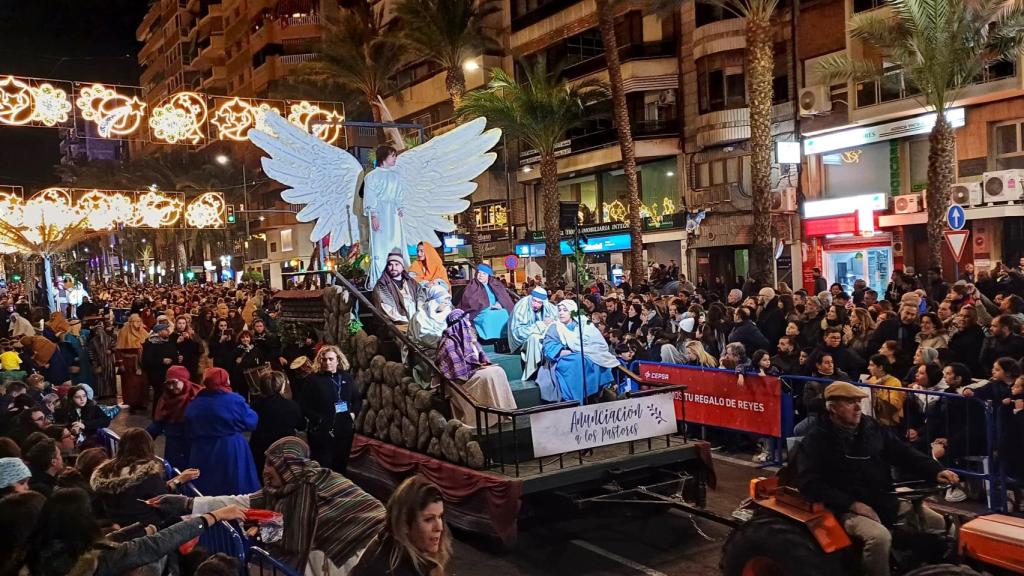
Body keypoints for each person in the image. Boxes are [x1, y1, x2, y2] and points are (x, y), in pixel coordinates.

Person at [155, 436, 386, 575]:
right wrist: (189, 504)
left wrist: (263, 529)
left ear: (289, 465)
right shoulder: (281, 490)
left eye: (272, 464)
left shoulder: (314, 487)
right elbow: (242, 502)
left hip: (352, 555)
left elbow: (293, 536)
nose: (265, 470)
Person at [796, 381, 958, 576]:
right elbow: (809, 484)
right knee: (879, 538)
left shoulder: (871, 428)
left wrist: (934, 470)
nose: (857, 408)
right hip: (844, 507)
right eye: (850, 403)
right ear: (832, 408)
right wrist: (853, 504)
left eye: (858, 401)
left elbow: (901, 452)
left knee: (941, 524)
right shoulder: (816, 440)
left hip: (882, 499)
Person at [23, 487, 248, 576]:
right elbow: (154, 546)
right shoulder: (97, 559)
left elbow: (105, 541)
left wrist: (141, 528)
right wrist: (213, 516)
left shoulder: (38, 552)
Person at [90, 427, 200, 529]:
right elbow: (164, 500)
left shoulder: (104, 472)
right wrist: (179, 481)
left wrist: (179, 479)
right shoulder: (147, 475)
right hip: (146, 530)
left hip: (117, 527)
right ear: (148, 448)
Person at [353, 475, 451, 576]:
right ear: (404, 524)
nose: (439, 527)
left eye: (440, 516)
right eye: (428, 519)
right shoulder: (390, 569)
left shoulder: (391, 544)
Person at [184, 367, 260, 496]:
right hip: (230, 448)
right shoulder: (234, 401)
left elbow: (188, 424)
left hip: (201, 449)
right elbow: (251, 422)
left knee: (205, 488)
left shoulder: (195, 402)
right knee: (234, 486)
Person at [436, 310, 517, 428]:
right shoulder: (448, 343)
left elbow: (479, 358)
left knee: (498, 371)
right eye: (466, 321)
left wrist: (481, 363)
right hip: (460, 381)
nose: (469, 324)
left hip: (471, 373)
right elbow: (455, 371)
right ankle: (489, 417)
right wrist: (477, 369)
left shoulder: (469, 338)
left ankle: (504, 412)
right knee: (488, 376)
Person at [537, 300, 619, 404]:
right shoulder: (555, 327)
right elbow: (548, 348)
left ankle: (601, 391)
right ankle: (576, 399)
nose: (561, 313)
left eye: (565, 310)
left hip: (585, 354)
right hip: (564, 359)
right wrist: (565, 351)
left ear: (572, 311)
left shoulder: (583, 325)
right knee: (577, 361)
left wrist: (587, 350)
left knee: (597, 358)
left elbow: (595, 342)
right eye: (559, 310)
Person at [302, 345, 360, 474]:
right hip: (322, 432)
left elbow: (357, 399)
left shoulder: (346, 377)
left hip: (344, 429)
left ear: (338, 360)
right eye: (324, 359)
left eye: (331, 359)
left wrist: (353, 414)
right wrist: (318, 420)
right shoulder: (313, 380)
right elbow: (303, 405)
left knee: (340, 465)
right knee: (323, 468)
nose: (327, 362)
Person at [365, 145, 407, 289]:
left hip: (393, 213)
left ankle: (397, 276)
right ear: (384, 157)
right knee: (380, 245)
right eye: (392, 155)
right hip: (381, 213)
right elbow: (370, 197)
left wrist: (401, 207)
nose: (395, 158)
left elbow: (399, 194)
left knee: (395, 243)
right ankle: (378, 279)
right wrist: (373, 215)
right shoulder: (372, 176)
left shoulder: (396, 176)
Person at [146, 365, 200, 471]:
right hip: (173, 447)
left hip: (194, 447)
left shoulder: (198, 397)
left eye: (174, 382)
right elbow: (157, 424)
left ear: (184, 380)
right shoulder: (166, 398)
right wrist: (140, 439)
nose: (171, 387)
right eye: (168, 383)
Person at [250, 371, 305, 474]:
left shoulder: (254, 406)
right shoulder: (292, 405)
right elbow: (301, 425)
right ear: (281, 386)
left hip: (260, 449)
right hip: (284, 450)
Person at [507, 287, 557, 380]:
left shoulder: (547, 306)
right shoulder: (521, 306)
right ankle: (534, 372)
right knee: (534, 338)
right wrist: (541, 325)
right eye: (534, 301)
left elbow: (556, 317)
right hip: (520, 342)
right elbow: (519, 333)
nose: (536, 304)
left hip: (538, 337)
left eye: (539, 303)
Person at [458, 264, 514, 342]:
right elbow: (470, 301)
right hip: (480, 310)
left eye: (484, 274)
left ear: (488, 275)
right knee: (488, 315)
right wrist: (486, 306)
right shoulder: (472, 286)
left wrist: (500, 304)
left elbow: (503, 297)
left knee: (504, 313)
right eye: (479, 273)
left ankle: (503, 336)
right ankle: (489, 338)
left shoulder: (495, 284)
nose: (481, 275)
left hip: (495, 307)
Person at [373, 251, 421, 325]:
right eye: (390, 265)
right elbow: (388, 310)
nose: (393, 268)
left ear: (402, 267)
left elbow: (421, 296)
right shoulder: (382, 285)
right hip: (396, 324)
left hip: (417, 320)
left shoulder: (411, 282)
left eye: (397, 264)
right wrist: (409, 323)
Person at [114, 313, 150, 410]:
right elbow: (118, 349)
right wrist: (120, 363)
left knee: (143, 382)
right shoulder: (124, 331)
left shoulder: (143, 331)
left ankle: (142, 402)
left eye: (139, 321)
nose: (138, 323)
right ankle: (131, 403)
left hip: (141, 361)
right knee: (130, 384)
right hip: (128, 362)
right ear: (131, 322)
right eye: (136, 321)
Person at [408, 284, 452, 360]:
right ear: (435, 301)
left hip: (444, 346)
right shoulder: (419, 317)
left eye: (448, 300)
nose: (447, 303)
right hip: (423, 350)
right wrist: (442, 342)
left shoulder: (448, 314)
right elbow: (417, 339)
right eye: (444, 300)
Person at [141, 323, 176, 416]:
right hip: (156, 374)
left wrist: (175, 358)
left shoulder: (169, 342)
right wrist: (162, 360)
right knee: (159, 394)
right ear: (159, 332)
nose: (168, 331)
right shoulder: (150, 344)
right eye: (166, 330)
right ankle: (157, 415)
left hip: (168, 373)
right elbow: (146, 360)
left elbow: (173, 354)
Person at [171, 316, 202, 380]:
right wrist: (177, 342)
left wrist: (188, 339)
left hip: (190, 364)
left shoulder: (191, 334)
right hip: (178, 363)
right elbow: (170, 349)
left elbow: (196, 349)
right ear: (176, 324)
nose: (181, 325)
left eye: (183, 323)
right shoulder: (172, 336)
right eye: (179, 323)